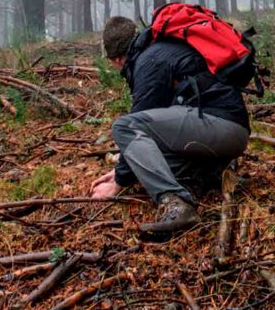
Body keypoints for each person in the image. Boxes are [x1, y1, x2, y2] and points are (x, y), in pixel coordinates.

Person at [91, 15, 251, 239]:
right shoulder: (160, 51)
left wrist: (118, 182)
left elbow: (136, 125)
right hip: (229, 132)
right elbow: (156, 133)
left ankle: (175, 204)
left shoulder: (149, 62)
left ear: (117, 58)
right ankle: (209, 175)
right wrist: (126, 169)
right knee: (152, 149)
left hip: (220, 127)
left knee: (124, 127)